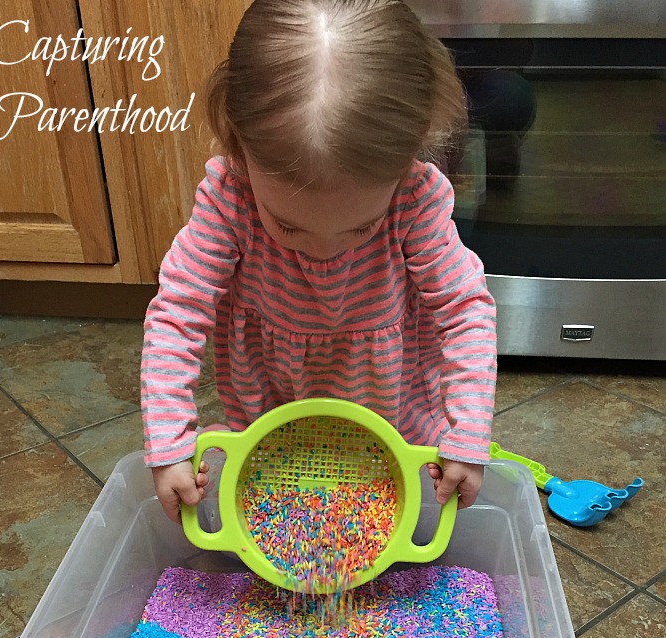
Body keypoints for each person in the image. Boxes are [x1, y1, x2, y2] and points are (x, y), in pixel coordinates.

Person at [141, 0, 497, 528]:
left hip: (393, 411)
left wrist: (466, 436)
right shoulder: (228, 199)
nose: (324, 252)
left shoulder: (414, 199)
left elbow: (465, 310)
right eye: (288, 227)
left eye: (360, 228)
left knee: (386, 524)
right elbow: (177, 313)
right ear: (238, 146)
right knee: (290, 527)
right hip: (272, 412)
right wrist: (169, 444)